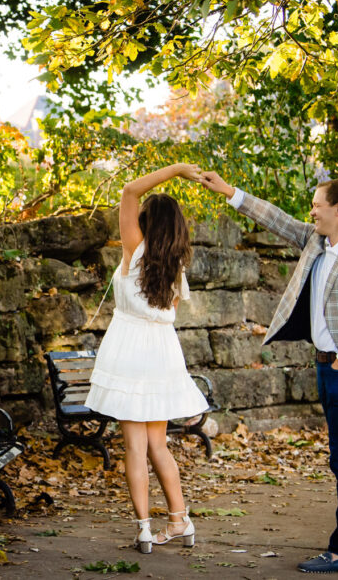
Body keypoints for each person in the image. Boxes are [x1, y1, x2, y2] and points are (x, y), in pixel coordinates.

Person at [198, 172, 338, 574]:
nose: (311, 213)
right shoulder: (317, 241)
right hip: (326, 366)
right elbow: (277, 219)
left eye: (317, 206)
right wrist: (230, 192)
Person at [84, 162, 211, 554]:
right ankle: (179, 519)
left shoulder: (134, 250)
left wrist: (176, 170)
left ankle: (143, 528)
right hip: (162, 354)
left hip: (129, 352)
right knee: (159, 446)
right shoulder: (175, 266)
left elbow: (128, 191)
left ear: (146, 223)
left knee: (135, 448)